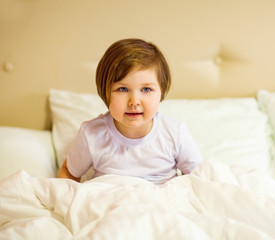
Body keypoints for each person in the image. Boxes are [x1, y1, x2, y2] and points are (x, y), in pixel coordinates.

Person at [57, 38, 202, 184]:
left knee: (215, 169)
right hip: (113, 200)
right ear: (105, 92)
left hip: (161, 200)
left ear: (161, 92)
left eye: (146, 89)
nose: (134, 101)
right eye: (123, 89)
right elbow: (69, 172)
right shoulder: (91, 133)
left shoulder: (174, 132)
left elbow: (198, 177)